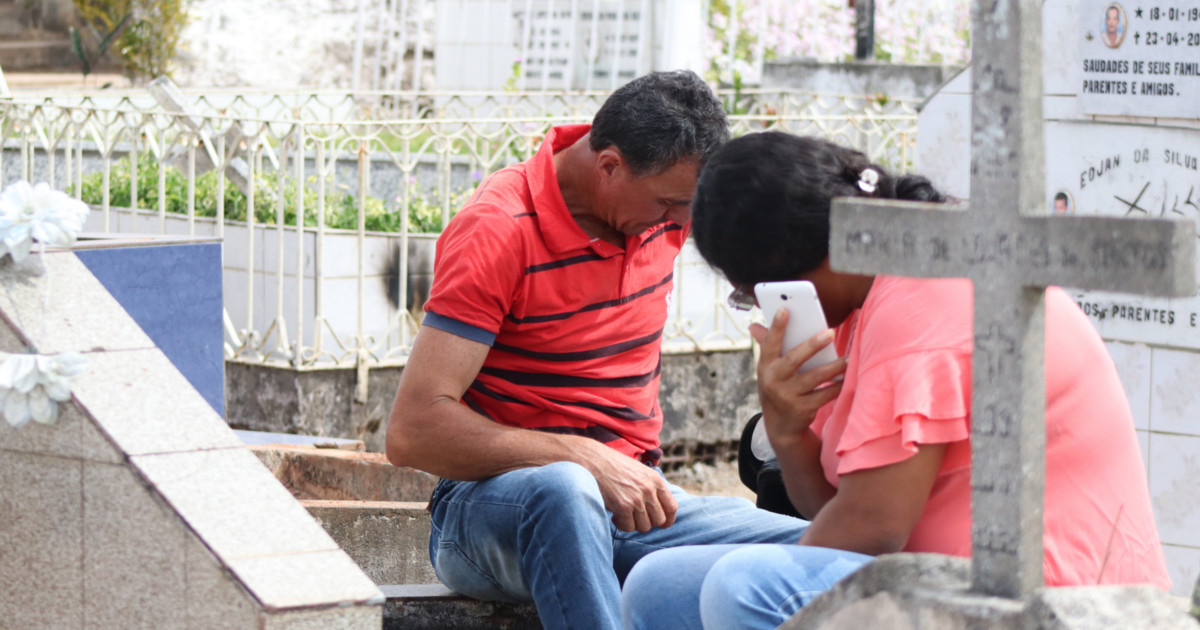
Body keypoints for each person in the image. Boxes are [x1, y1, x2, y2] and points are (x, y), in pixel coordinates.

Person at [621, 132, 1171, 630]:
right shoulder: (872, 291)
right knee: (660, 585)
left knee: (743, 587)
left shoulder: (919, 297)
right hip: (929, 566)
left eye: (756, 291)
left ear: (806, 261)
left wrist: (784, 576)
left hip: (1044, 590)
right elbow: (837, 508)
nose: (763, 311)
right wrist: (790, 434)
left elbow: (872, 526)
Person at [385, 72, 808, 630]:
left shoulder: (658, 213)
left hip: (636, 505)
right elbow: (412, 430)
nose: (681, 225)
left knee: (826, 548)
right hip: (490, 511)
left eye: (690, 206)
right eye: (670, 204)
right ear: (609, 167)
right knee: (566, 488)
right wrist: (580, 455)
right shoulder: (499, 229)